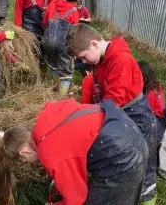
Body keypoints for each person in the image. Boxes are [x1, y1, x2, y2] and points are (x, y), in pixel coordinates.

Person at [0, 98, 148, 205]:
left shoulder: (49, 154)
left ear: (23, 152)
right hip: (123, 125)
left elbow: (76, 199)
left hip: (123, 153)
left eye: (22, 160)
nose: (25, 163)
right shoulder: (47, 118)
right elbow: (69, 153)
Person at [66, 24, 158, 205]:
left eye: (84, 56)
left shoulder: (120, 60)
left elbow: (114, 100)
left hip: (137, 116)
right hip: (121, 114)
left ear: (93, 44)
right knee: (131, 161)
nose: (84, 62)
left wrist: (91, 120)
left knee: (144, 163)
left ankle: (147, 199)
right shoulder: (102, 59)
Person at [14, 0, 56, 68]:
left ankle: (45, 64)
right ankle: (33, 66)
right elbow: (18, 9)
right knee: (33, 45)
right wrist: (18, 27)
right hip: (29, 23)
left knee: (46, 45)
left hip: (45, 22)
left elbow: (54, 4)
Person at [42, 0, 80, 95]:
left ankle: (57, 88)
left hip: (48, 41)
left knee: (53, 66)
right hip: (63, 43)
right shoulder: (73, 10)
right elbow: (74, 32)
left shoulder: (52, 3)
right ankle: (61, 97)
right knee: (66, 72)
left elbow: (45, 22)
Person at [138, 61, 166, 144]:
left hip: (156, 125)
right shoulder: (157, 87)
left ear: (144, 77)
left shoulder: (150, 95)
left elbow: (143, 113)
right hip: (163, 119)